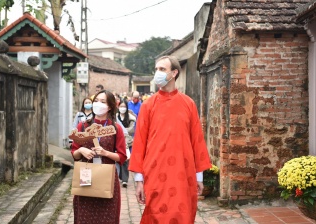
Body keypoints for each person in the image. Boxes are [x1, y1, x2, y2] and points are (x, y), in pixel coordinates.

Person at [128, 56, 212, 223]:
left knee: (183, 215)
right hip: (155, 172)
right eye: (156, 69)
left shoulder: (188, 104)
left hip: (183, 173)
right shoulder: (148, 105)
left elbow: (197, 141)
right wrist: (139, 180)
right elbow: (139, 144)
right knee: (156, 215)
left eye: (162, 69)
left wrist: (199, 177)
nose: (157, 73)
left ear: (174, 73)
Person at [71, 90, 127, 224]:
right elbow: (74, 153)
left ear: (110, 107)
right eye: (96, 101)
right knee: (84, 216)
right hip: (86, 174)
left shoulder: (116, 128)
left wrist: (105, 153)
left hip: (107, 177)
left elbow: (122, 156)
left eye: (103, 102)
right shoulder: (83, 126)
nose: (98, 104)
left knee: (107, 217)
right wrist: (82, 150)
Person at [116, 99, 136, 188]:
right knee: (118, 159)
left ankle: (125, 179)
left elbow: (132, 129)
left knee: (125, 159)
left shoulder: (131, 118)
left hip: (128, 141)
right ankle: (121, 176)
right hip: (118, 140)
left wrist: (122, 131)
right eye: (121, 106)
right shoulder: (116, 117)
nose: (122, 108)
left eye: (124, 106)